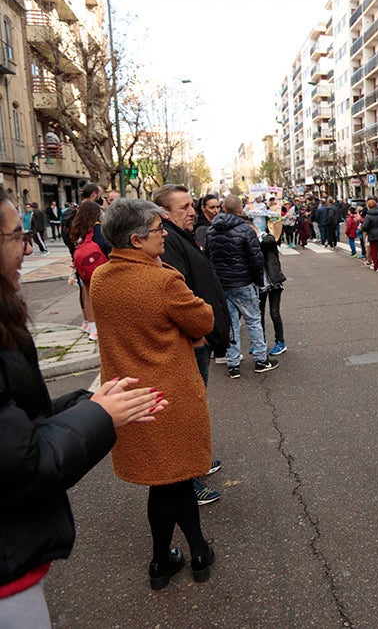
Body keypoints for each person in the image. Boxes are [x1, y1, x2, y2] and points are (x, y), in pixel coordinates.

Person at [0, 188, 166, 624]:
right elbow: (23, 461)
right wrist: (99, 414)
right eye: (17, 236)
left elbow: (19, 421)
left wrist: (88, 403)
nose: (28, 248)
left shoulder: (105, 275)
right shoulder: (159, 278)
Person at [89, 198, 218, 589]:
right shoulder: (162, 280)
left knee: (164, 481)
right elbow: (203, 319)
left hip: (129, 399)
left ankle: (166, 560)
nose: (164, 235)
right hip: (170, 393)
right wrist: (167, 274)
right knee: (175, 479)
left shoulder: (101, 279)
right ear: (135, 240)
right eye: (157, 230)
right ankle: (192, 553)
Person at [156, 185, 231, 505]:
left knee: (195, 409)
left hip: (199, 339)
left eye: (192, 205)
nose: (192, 211)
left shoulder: (180, 236)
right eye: (184, 207)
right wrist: (198, 335)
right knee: (187, 413)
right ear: (164, 214)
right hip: (193, 342)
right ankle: (187, 481)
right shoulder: (169, 240)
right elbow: (177, 294)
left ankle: (196, 463)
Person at [205, 195, 278, 378]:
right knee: (253, 320)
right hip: (243, 281)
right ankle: (261, 359)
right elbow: (256, 259)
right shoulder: (245, 229)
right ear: (240, 209)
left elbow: (207, 257)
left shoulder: (211, 230)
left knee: (231, 323)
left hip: (222, 283)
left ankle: (233, 363)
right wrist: (258, 281)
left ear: (223, 207)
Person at [68, 201, 108, 341]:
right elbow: (103, 244)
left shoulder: (79, 228)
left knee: (86, 294)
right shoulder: (96, 227)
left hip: (82, 266)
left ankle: (90, 326)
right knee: (98, 297)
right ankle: (96, 329)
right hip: (96, 266)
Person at [258, 230, 288, 356]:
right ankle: (261, 342)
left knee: (274, 313)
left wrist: (258, 235)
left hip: (274, 281)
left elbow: (270, 240)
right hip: (260, 284)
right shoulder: (249, 244)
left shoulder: (266, 239)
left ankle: (280, 342)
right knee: (259, 315)